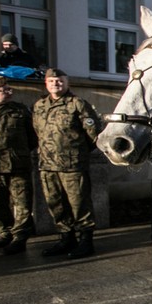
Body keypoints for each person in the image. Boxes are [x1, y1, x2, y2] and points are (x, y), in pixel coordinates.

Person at [32, 68, 103, 259]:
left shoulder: (77, 104)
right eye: (52, 81)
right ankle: (66, 238)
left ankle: (86, 241)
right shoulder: (39, 106)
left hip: (72, 166)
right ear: (46, 84)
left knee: (80, 204)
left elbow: (93, 135)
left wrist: (76, 153)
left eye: (60, 80)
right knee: (56, 204)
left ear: (67, 82)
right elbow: (37, 132)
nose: (56, 84)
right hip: (47, 165)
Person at [0, 75, 37, 255]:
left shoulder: (20, 110)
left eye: (9, 89)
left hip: (18, 165)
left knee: (23, 203)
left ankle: (20, 238)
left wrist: (18, 153)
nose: (8, 93)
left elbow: (33, 138)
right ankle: (4, 233)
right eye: (3, 90)